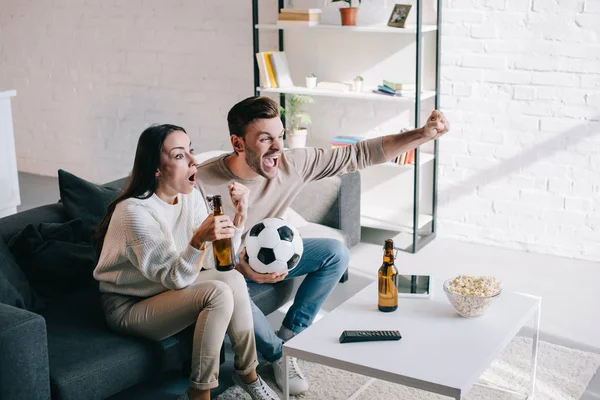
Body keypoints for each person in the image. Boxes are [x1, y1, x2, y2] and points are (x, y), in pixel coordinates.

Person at [195, 96, 450, 395]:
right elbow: (195, 255)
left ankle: (292, 335)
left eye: (280, 136)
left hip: (270, 261)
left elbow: (359, 154)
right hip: (227, 274)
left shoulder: (291, 163)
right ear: (238, 143)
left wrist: (422, 134)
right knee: (231, 288)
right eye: (265, 139)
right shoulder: (202, 182)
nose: (277, 147)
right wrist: (242, 268)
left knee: (335, 252)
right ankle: (279, 354)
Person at [93, 124, 279, 400]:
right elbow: (177, 277)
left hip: (164, 288)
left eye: (191, 151)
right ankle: (199, 392)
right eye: (180, 155)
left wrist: (239, 218)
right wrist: (197, 241)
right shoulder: (134, 212)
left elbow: (216, 264)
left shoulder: (189, 196)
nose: (194, 160)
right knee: (217, 293)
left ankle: (248, 373)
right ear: (156, 168)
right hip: (128, 306)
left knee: (233, 279)